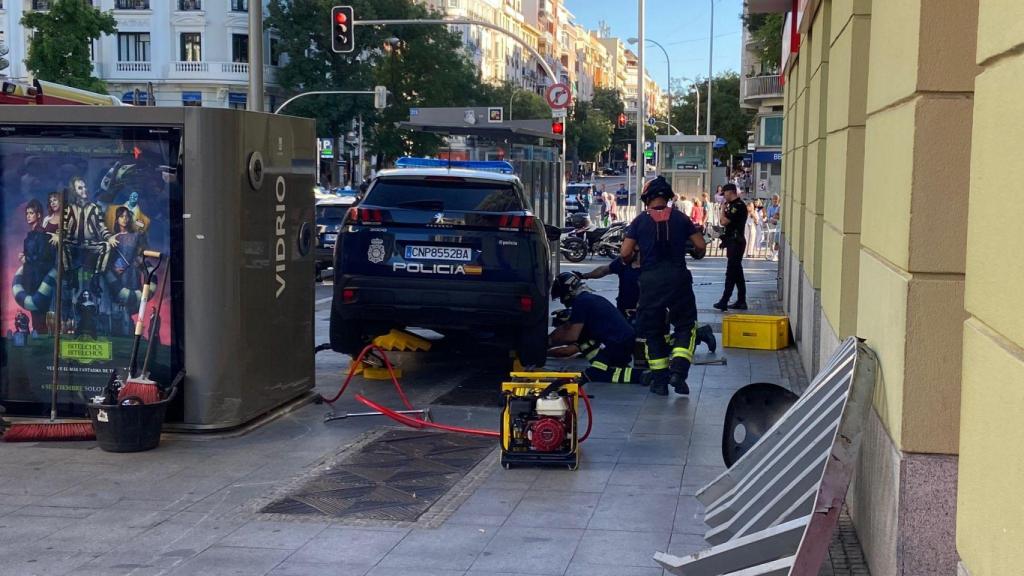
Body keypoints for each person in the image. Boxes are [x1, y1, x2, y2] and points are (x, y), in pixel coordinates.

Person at [621, 176, 706, 396]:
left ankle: (659, 382)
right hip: (678, 279)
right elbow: (700, 245)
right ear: (668, 197)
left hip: (651, 281)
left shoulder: (639, 221)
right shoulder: (681, 218)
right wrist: (694, 252)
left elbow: (625, 252)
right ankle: (678, 371)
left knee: (653, 330)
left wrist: (633, 257)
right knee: (686, 325)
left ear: (647, 198)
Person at [548, 273, 644, 384]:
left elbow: (571, 336)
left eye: (561, 297)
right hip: (622, 342)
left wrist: (548, 343)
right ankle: (629, 371)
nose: (561, 301)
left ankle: (641, 376)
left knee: (594, 374)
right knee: (609, 369)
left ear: (568, 292)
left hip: (615, 343)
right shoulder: (589, 300)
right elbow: (568, 350)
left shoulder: (580, 303)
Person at [714, 184, 748, 311]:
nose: (724, 196)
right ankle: (741, 301)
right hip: (733, 242)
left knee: (731, 273)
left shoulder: (737, 206)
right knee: (737, 273)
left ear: (731, 192)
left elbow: (723, 222)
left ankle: (724, 300)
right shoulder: (733, 205)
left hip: (736, 243)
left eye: (725, 193)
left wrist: (722, 209)